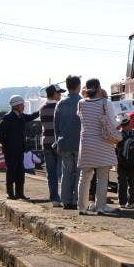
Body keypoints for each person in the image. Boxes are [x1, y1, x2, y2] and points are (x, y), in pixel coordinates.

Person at [76, 78, 118, 215]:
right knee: (102, 177)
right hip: (103, 143)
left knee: (84, 177)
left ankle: (82, 207)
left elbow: (81, 118)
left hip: (86, 143)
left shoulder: (81, 103)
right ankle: (100, 206)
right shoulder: (106, 103)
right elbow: (113, 123)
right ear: (99, 88)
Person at [0, 95, 40, 200]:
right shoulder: (8, 117)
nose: (24, 106)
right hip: (10, 150)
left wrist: (41, 111)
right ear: (16, 105)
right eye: (22, 104)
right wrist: (4, 146)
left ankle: (20, 193)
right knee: (11, 170)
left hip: (20, 149)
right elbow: (1, 134)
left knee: (20, 172)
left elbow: (30, 117)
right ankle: (10, 193)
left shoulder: (21, 116)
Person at [54, 75, 81, 210]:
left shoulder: (60, 103)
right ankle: (76, 201)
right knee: (79, 173)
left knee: (66, 172)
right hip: (80, 143)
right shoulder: (82, 102)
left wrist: (58, 142)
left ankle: (65, 200)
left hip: (64, 142)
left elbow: (56, 125)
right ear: (78, 86)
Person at [40, 84, 65, 206]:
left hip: (46, 143)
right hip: (58, 143)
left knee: (51, 173)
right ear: (54, 94)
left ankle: (54, 198)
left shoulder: (42, 108)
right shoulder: (59, 107)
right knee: (62, 172)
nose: (60, 95)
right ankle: (65, 197)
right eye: (59, 93)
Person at [115, 114, 134, 209]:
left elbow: (116, 147)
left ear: (121, 124)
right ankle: (132, 202)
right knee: (132, 181)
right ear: (129, 122)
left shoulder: (119, 134)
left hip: (122, 161)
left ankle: (122, 202)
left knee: (122, 182)